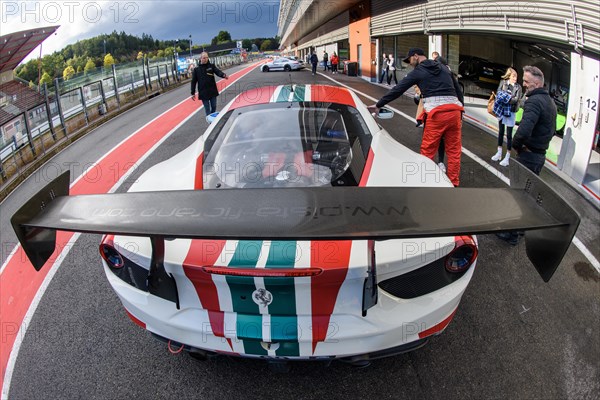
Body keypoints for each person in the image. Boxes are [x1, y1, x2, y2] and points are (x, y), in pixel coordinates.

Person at [370, 47, 464, 186]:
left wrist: (379, 105)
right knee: (454, 151)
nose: (409, 64)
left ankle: (425, 183)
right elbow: (458, 91)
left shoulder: (419, 71)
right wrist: (461, 111)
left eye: (409, 61)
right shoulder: (444, 68)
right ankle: (454, 184)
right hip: (455, 112)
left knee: (428, 151)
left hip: (436, 114)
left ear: (415, 56)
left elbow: (398, 89)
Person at [496, 65, 556, 245]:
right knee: (528, 196)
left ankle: (512, 235)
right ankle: (520, 230)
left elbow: (524, 130)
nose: (524, 84)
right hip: (539, 156)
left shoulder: (534, 102)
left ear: (537, 83)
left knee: (518, 196)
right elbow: (552, 130)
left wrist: (515, 145)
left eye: (526, 81)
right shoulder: (550, 103)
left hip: (529, 156)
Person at [491, 67, 523, 167]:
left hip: (511, 112)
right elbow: (498, 94)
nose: (515, 78)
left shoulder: (518, 87)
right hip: (501, 111)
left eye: (516, 77)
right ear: (509, 76)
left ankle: (507, 157)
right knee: (500, 132)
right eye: (514, 76)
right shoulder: (503, 83)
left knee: (509, 135)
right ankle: (499, 153)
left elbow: (516, 100)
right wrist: (508, 98)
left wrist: (505, 98)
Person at [190, 52, 229, 116]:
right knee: (207, 109)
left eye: (206, 58)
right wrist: (192, 93)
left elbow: (217, 72)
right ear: (200, 58)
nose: (205, 59)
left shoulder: (211, 66)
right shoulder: (196, 69)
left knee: (214, 106)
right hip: (203, 92)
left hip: (212, 90)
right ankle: (210, 122)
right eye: (204, 58)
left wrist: (223, 75)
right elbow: (193, 82)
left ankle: (211, 118)